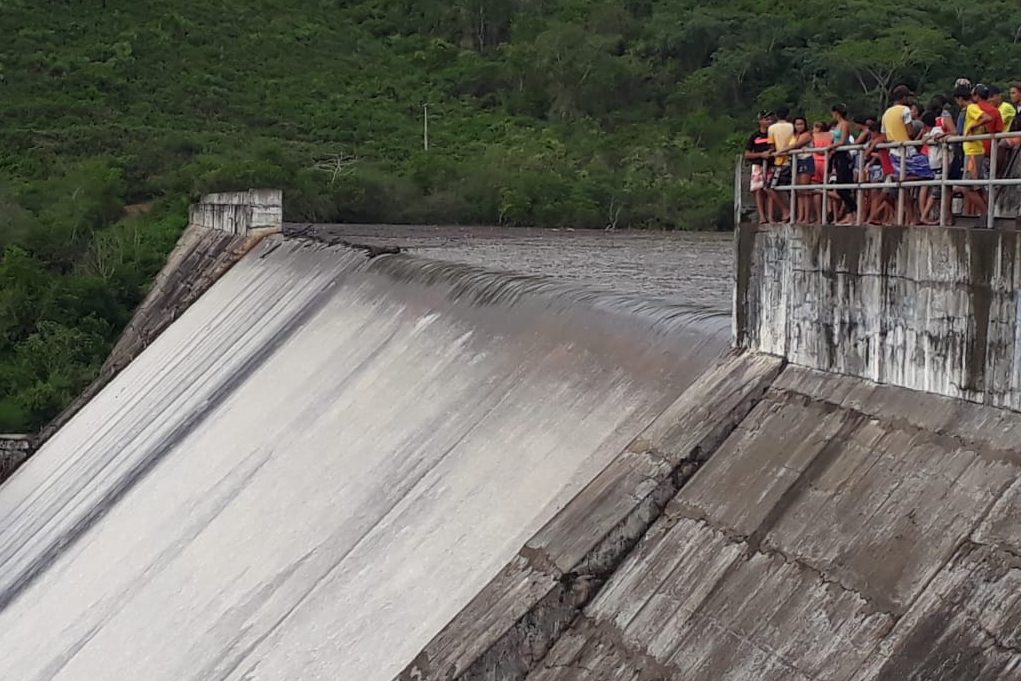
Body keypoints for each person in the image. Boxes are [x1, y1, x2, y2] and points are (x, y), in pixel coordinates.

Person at [882, 85, 932, 223]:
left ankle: (912, 216)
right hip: (907, 151)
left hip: (893, 152)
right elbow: (910, 132)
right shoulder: (905, 110)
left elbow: (884, 135)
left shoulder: (886, 113)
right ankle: (922, 214)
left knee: (904, 188)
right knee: (931, 173)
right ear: (903, 98)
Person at [958, 84, 995, 216]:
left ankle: (985, 214)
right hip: (975, 150)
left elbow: (987, 118)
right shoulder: (974, 107)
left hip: (973, 152)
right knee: (977, 187)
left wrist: (972, 127)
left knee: (967, 187)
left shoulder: (971, 108)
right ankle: (988, 213)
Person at [766, 107, 796, 222]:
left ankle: (785, 210)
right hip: (792, 160)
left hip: (780, 161)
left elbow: (772, 145)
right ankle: (792, 212)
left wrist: (771, 152)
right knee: (789, 188)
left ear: (776, 116)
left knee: (769, 187)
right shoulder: (792, 126)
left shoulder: (772, 128)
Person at [829, 104, 857, 224]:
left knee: (843, 186)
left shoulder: (845, 124)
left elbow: (843, 140)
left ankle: (853, 210)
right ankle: (850, 213)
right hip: (837, 154)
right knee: (840, 186)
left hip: (843, 154)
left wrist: (831, 146)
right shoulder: (837, 125)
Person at [745, 112, 774, 224]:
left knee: (771, 190)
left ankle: (771, 216)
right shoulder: (754, 136)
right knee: (758, 190)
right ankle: (762, 216)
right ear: (760, 121)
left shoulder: (773, 134)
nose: (769, 121)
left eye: (770, 119)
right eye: (766, 119)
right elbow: (747, 154)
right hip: (758, 165)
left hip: (771, 165)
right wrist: (761, 155)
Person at [788, 117, 815, 223]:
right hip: (796, 161)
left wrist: (782, 151)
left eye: (801, 124)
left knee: (805, 189)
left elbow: (796, 145)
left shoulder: (807, 135)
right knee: (798, 191)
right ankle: (800, 216)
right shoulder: (793, 135)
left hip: (806, 160)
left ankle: (807, 217)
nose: (799, 126)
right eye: (797, 124)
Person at [811, 121, 832, 223]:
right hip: (827, 162)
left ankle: (819, 217)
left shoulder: (813, 136)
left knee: (816, 190)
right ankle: (829, 210)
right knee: (827, 187)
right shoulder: (830, 135)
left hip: (815, 162)